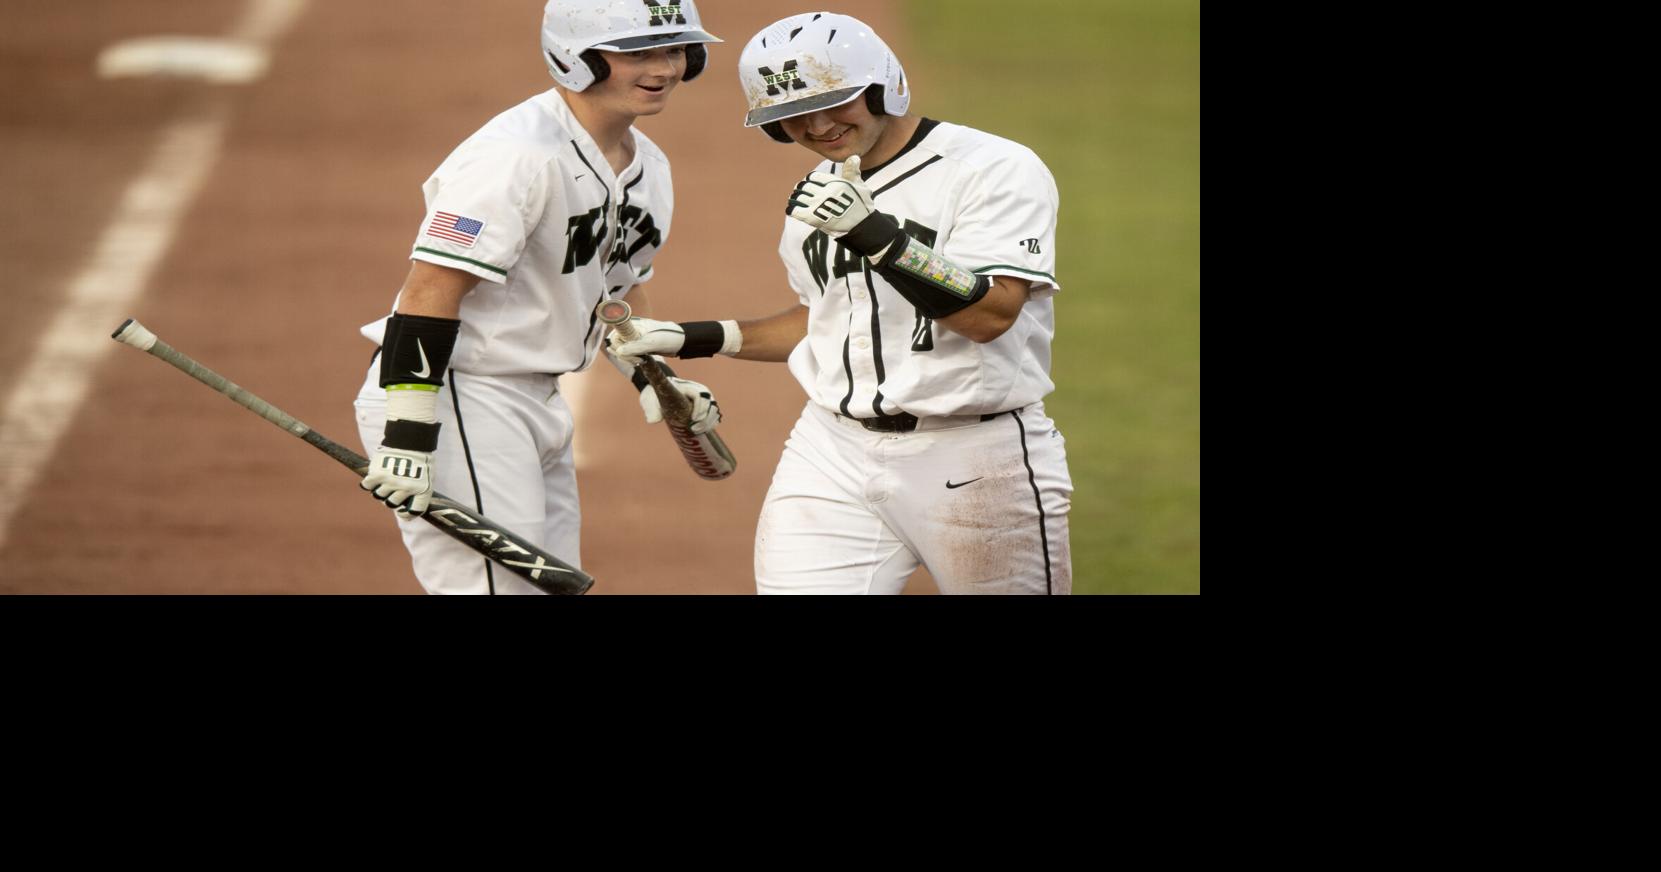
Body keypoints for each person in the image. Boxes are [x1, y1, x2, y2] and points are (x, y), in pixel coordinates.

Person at [605, 12, 1073, 595]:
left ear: (881, 86)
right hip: (831, 452)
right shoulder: (819, 196)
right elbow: (825, 320)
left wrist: (873, 235)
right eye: (791, 115)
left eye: (836, 102)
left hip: (976, 459)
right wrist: (695, 337)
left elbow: (990, 316)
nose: (818, 125)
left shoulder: (991, 169)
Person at [353, 0, 725, 594]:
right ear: (577, 56)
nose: (664, 68)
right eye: (637, 52)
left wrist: (655, 376)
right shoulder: (515, 157)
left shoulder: (646, 166)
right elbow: (429, 289)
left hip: (536, 400)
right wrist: (411, 433)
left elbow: (615, 292)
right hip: (459, 397)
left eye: (675, 49)